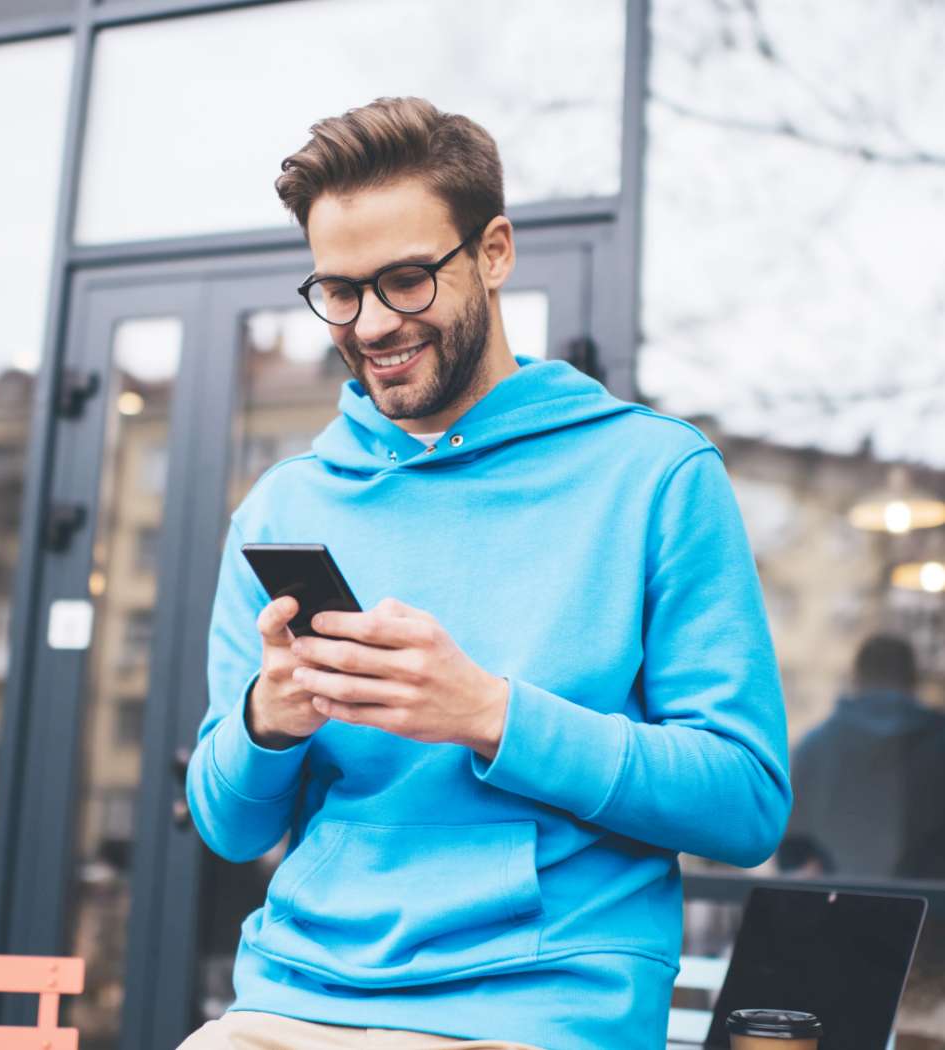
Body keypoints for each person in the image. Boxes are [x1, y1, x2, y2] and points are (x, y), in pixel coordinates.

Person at [181, 97, 791, 1050]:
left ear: (494, 253)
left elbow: (745, 802)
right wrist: (269, 720)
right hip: (293, 1003)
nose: (371, 324)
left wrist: (493, 716)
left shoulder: (654, 476)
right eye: (339, 291)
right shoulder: (282, 507)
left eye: (406, 280)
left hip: (537, 1010)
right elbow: (227, 825)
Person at [785, 634, 945, 880]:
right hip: (929, 900)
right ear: (914, 680)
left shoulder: (815, 746)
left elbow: (791, 853)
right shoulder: (939, 743)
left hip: (838, 899)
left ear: (857, 679)